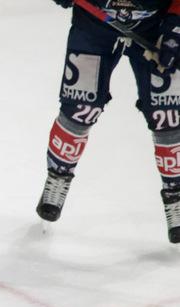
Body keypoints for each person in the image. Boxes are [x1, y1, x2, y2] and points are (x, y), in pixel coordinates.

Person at [38, 0, 180, 242]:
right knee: (81, 108)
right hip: (94, 21)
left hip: (156, 23)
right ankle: (58, 177)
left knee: (168, 115)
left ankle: (176, 196)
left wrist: (177, 23)